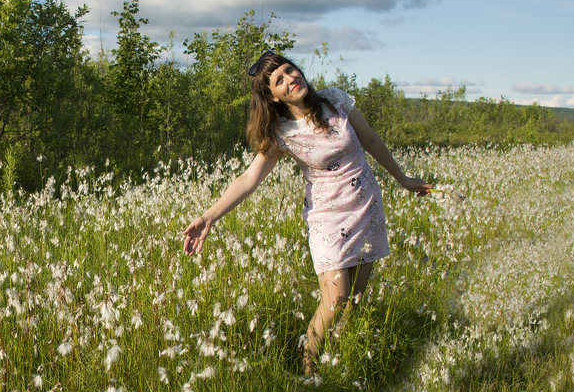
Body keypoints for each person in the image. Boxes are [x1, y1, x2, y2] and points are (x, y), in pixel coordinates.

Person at [182, 50, 431, 374]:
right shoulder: (282, 132)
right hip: (327, 218)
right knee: (335, 299)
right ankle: (309, 369)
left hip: (366, 206)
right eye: (279, 80)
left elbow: (370, 140)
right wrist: (209, 216)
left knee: (353, 300)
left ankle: (339, 359)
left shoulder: (335, 102)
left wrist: (404, 179)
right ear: (272, 96)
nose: (290, 79)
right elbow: (248, 179)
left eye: (290, 70)